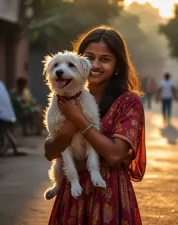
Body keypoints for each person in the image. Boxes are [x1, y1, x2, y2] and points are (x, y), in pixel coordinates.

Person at [44, 26, 146, 225]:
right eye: (89, 58)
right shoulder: (65, 97)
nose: (95, 65)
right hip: (72, 195)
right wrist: (68, 127)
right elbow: (50, 152)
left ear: (117, 65)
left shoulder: (128, 102)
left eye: (105, 59)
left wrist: (78, 119)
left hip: (109, 192)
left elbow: (115, 155)